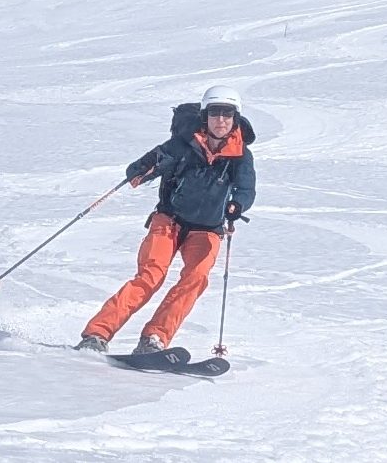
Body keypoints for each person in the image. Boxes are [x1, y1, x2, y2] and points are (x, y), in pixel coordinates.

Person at [78, 84, 255, 354]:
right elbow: (150, 163)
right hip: (169, 221)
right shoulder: (184, 144)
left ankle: (154, 339)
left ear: (236, 118)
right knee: (150, 276)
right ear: (205, 116)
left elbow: (246, 189)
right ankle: (96, 334)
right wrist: (140, 171)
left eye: (227, 114)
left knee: (195, 278)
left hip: (207, 230)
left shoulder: (241, 156)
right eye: (215, 113)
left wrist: (237, 204)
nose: (221, 120)